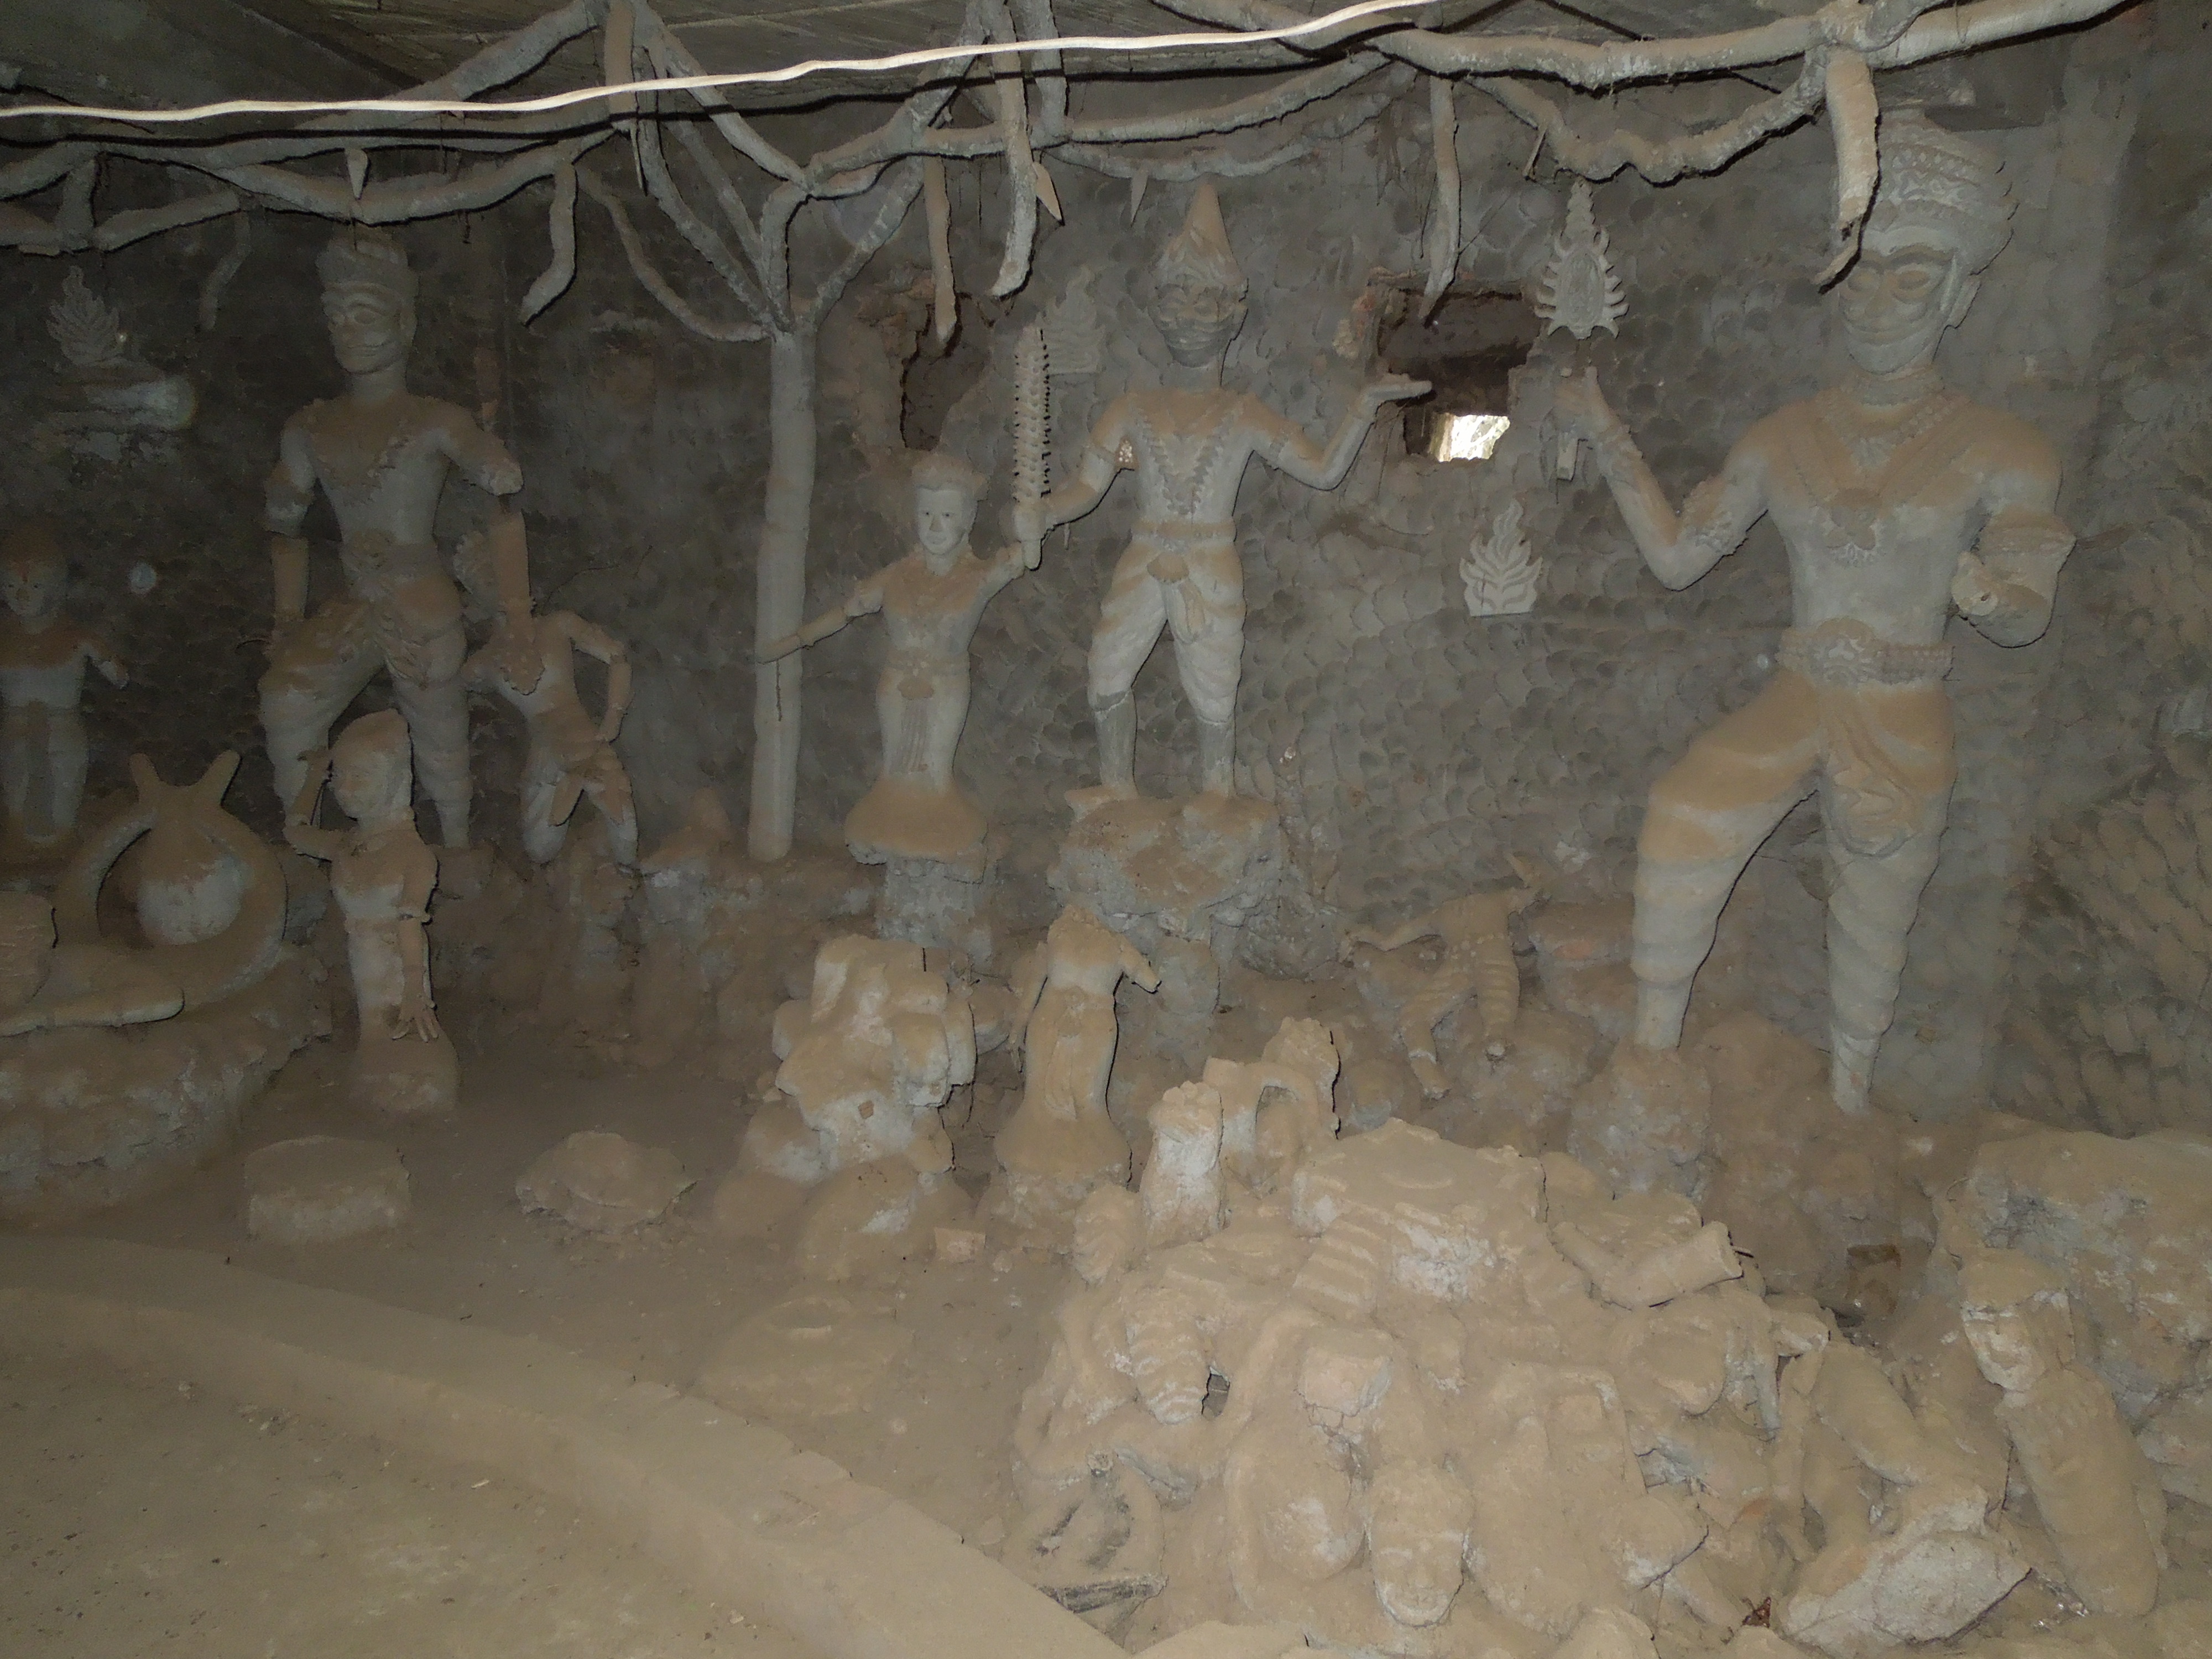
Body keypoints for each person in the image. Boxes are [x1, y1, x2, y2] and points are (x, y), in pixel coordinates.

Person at [1556, 112, 2074, 1112]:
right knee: (1683, 816)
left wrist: (1986, 592)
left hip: (1900, 704)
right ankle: (1652, 1056)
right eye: (1863, 274)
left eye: (1911, 277)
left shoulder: (2004, 450)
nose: (1877, 303)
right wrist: (1608, 435)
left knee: (1875, 909)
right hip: (1796, 692)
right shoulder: (1784, 435)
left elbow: (2026, 617)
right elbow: (1678, 559)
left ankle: (1849, 1098)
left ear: (1960, 293)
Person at [1015, 183, 1427, 798]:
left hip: (1208, 560)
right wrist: (1045, 511)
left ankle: (1217, 797)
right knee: (1105, 676)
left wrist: (1363, 408)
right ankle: (1116, 792)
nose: (1189, 315)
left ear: (1232, 315)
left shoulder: (1242, 414)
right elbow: (1085, 488)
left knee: (1213, 690)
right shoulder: (1132, 408)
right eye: (1177, 298)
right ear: (1158, 311)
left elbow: (1322, 472)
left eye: (1205, 299)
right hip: (1144, 554)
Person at [262, 228, 522, 849]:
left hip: (417, 595)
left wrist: (515, 614)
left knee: (438, 717)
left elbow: (503, 496)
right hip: (354, 601)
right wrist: (286, 617)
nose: (347, 330)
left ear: (404, 324)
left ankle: (455, 843)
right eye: (336, 316)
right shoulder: (309, 429)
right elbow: (284, 531)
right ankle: (303, 838)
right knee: (285, 699)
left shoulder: (434, 421)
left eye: (364, 314)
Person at [759, 452, 1024, 862]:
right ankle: (884, 827)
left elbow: (1023, 555)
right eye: (926, 514)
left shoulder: (980, 576)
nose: (935, 527)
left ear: (968, 520)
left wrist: (1032, 525)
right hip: (896, 681)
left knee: (935, 775)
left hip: (945, 682)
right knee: (894, 769)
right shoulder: (895, 575)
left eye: (948, 516)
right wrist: (797, 639)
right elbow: (845, 612)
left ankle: (940, 832)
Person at [463, 508, 635, 868]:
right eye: (480, 580)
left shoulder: (557, 626)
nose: (493, 586)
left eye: (495, 574)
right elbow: (451, 684)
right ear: (473, 594)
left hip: (582, 735)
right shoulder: (486, 660)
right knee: (540, 849)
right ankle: (571, 790)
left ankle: (622, 869)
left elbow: (617, 655)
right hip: (543, 749)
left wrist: (614, 715)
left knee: (625, 834)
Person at [0, 523, 125, 847]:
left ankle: (62, 853)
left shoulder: (77, 639)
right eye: (11, 586)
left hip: (61, 732)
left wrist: (104, 657)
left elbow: (119, 677)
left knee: (62, 814)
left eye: (35, 586)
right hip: (15, 734)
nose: (22, 596)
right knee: (17, 812)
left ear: (55, 588)